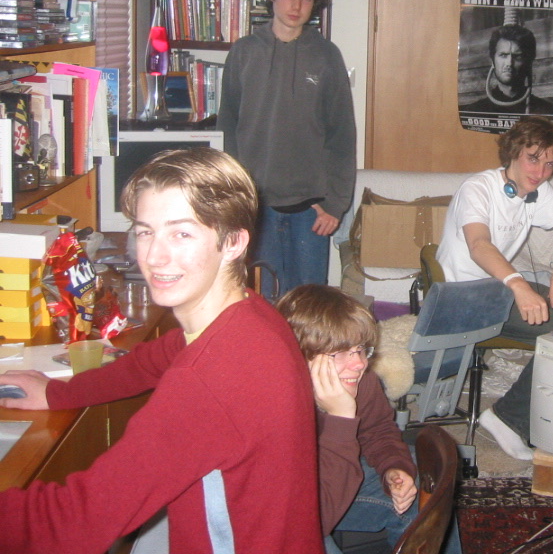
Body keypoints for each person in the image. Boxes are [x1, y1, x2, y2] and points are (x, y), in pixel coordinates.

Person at [0, 147, 322, 554]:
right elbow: (153, 359)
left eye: (181, 233)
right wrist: (57, 393)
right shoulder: (249, 315)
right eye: (145, 231)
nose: (153, 256)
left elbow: (75, 522)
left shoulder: (212, 377)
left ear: (234, 242)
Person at [435, 116, 553, 460]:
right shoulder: (477, 189)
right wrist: (518, 285)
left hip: (497, 288)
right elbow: (479, 245)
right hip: (462, 296)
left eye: (549, 163)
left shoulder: (538, 193)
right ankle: (506, 418)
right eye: (533, 158)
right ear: (513, 153)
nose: (540, 172)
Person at [276, 285, 462, 554]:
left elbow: (378, 430)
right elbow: (312, 521)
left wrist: (394, 468)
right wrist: (340, 417)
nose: (359, 363)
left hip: (336, 474)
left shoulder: (359, 378)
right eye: (339, 353)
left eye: (361, 349)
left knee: (425, 492)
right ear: (298, 354)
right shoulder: (274, 403)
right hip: (295, 512)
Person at [218, 0, 356, 297]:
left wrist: (336, 204)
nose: (297, 5)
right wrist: (231, 202)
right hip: (254, 208)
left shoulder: (326, 56)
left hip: (311, 210)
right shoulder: (244, 53)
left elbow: (342, 136)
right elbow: (227, 131)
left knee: (308, 307)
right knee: (259, 305)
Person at [462, 24, 553, 116]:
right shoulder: (475, 111)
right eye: (503, 55)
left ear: (529, 61)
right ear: (493, 59)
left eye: (517, 57)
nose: (509, 63)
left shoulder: (548, 111)